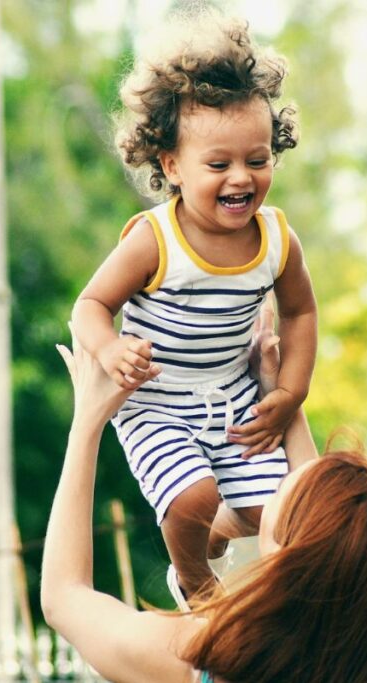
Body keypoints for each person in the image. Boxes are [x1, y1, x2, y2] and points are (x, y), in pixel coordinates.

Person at [41, 327, 367, 683]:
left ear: (284, 558)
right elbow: (331, 541)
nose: (272, 485)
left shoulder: (199, 660)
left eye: (279, 492)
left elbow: (64, 597)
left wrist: (88, 421)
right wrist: (278, 395)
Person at [70, 14, 318, 608]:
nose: (241, 177)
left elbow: (302, 314)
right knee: (190, 498)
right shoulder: (156, 240)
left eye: (257, 159)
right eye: (218, 164)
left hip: (232, 396)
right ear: (172, 165)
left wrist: (290, 393)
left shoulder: (277, 239)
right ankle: (196, 585)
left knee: (273, 513)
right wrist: (109, 348)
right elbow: (89, 304)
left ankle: (215, 531)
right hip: (157, 400)